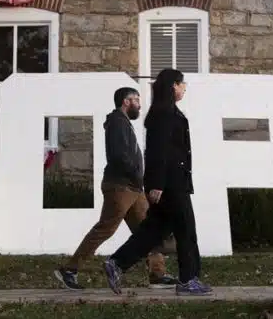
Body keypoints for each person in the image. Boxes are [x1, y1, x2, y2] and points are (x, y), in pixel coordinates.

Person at [54, 87, 179, 290]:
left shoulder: (122, 123)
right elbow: (119, 156)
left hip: (133, 187)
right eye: (136, 100)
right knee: (105, 228)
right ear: (126, 101)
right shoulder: (117, 122)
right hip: (121, 186)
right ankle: (69, 270)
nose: (139, 104)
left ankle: (158, 274)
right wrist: (138, 174)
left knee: (150, 229)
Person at [103, 69, 212, 296]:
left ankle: (117, 263)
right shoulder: (165, 115)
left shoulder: (165, 113)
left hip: (169, 183)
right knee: (186, 231)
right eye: (182, 84)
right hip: (171, 185)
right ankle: (188, 280)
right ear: (173, 86)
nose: (184, 88)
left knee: (154, 231)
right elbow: (158, 152)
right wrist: (157, 184)